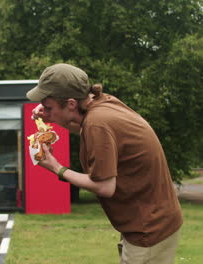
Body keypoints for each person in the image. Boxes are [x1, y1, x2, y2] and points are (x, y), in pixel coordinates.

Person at [27, 63, 183, 264]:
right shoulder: (102, 104)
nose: (45, 111)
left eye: (49, 107)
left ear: (71, 103)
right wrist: (53, 116)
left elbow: (104, 186)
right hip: (150, 221)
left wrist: (57, 167)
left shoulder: (98, 123)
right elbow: (85, 129)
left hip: (149, 230)